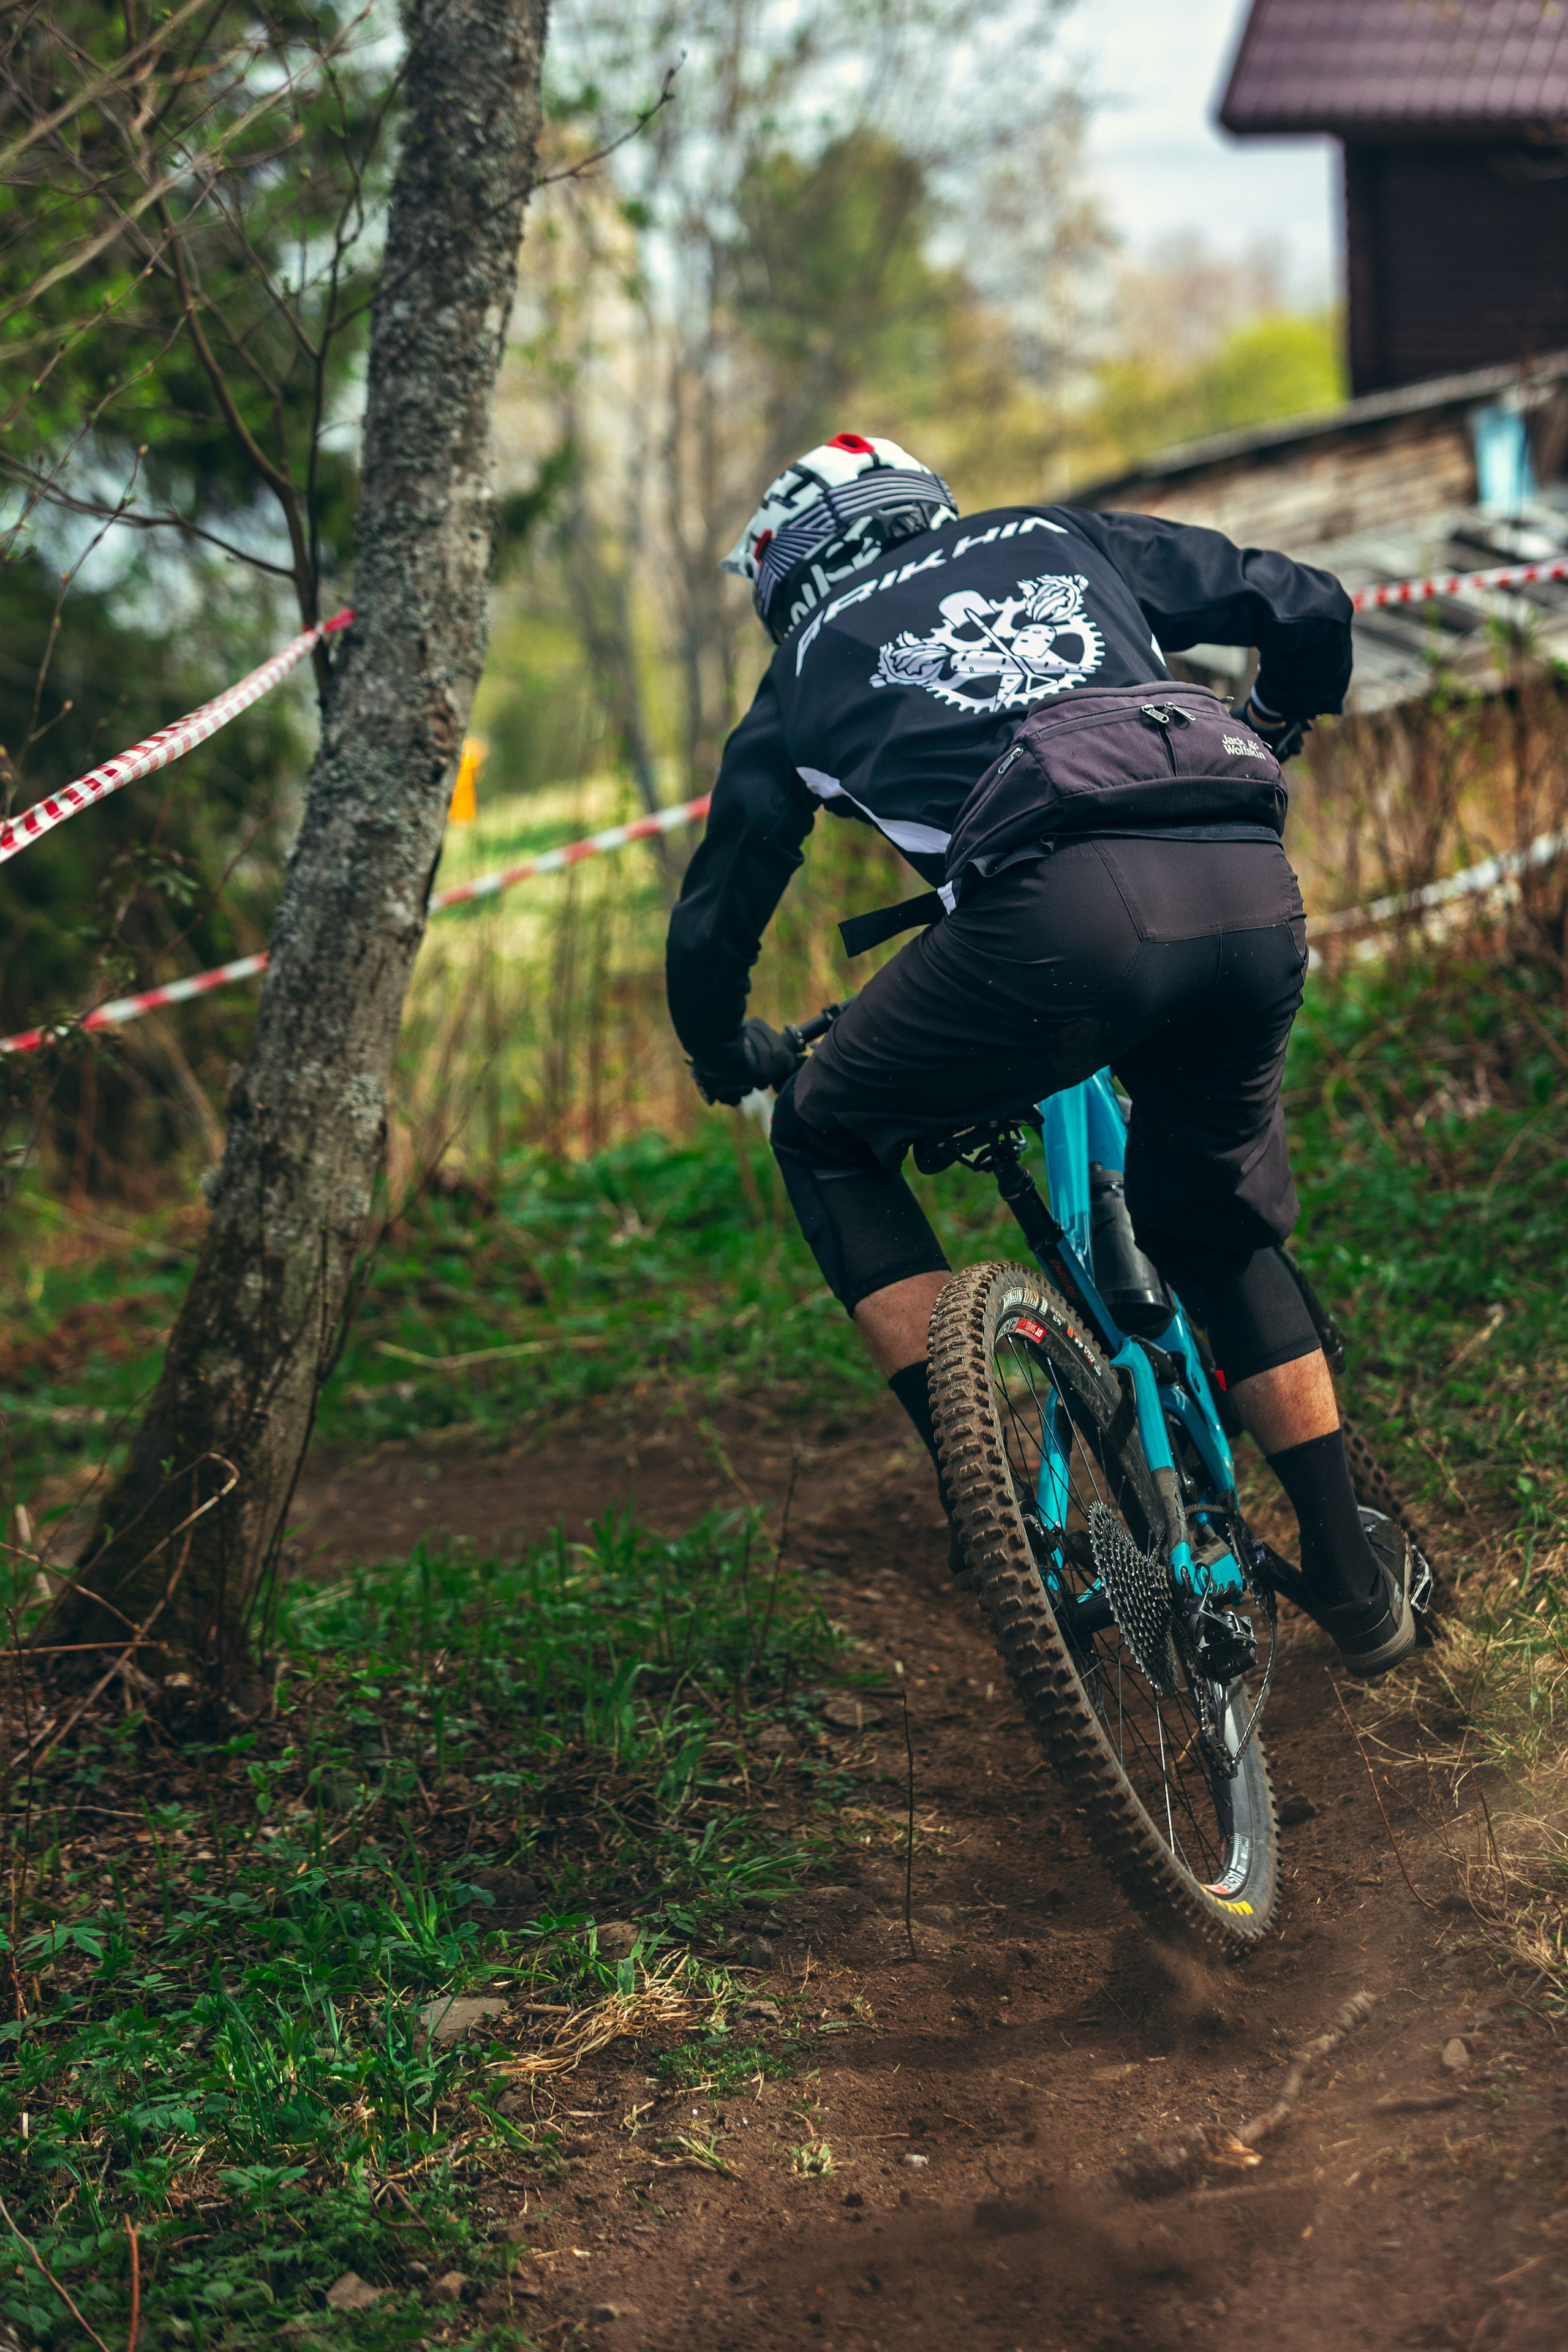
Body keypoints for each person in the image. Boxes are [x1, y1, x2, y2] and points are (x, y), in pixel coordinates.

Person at [665, 432, 1417, 1679]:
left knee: (822, 1129)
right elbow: (1303, 602)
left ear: (785, 581)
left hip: (1046, 932)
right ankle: (1351, 1578)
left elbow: (717, 912)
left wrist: (721, 1048)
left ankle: (992, 1505)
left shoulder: (800, 670)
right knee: (1215, 1227)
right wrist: (1274, 723)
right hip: (1245, 887)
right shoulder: (1054, 535)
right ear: (923, 507)